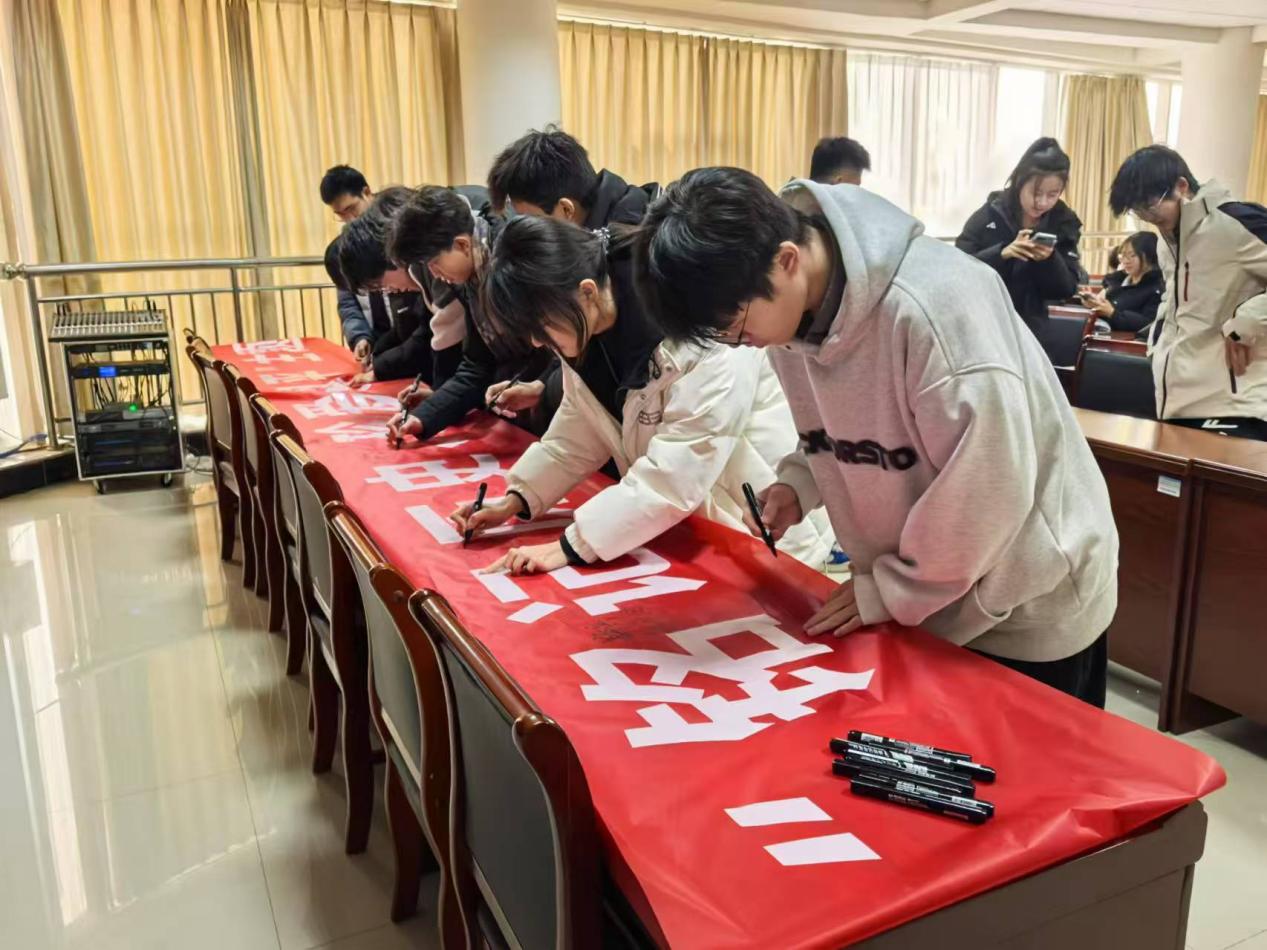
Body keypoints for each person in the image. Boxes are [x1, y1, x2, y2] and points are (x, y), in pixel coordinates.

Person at [632, 166, 1119, 707]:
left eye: (736, 325)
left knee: (1013, 760)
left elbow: (990, 487)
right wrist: (799, 484)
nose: (739, 342)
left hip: (1027, 602)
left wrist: (891, 590)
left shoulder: (936, 306)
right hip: (931, 594)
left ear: (787, 260)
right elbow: (838, 428)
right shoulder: (789, 317)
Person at [450, 214, 833, 573]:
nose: (537, 342)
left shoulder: (697, 329)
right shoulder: (586, 327)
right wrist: (517, 499)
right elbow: (578, 429)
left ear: (586, 292)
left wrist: (571, 545)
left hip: (763, 521)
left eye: (541, 326)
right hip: (694, 528)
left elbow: (679, 467)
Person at [482, 126, 660, 422]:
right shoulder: (591, 243)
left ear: (565, 209)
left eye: (532, 220)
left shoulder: (633, 258)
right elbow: (576, 330)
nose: (529, 232)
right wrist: (543, 386)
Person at [1110, 145, 1267, 439]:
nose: (1147, 216)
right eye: (1137, 210)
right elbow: (1174, 302)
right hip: (1179, 400)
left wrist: (1247, 321)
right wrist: (1157, 344)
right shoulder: (1167, 240)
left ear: (1181, 186)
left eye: (1151, 205)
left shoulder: (1235, 223)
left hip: (1236, 404)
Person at [383, 185, 552, 444]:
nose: (435, 274)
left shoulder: (520, 261)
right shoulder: (473, 280)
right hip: (524, 416)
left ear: (462, 244)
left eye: (435, 263)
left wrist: (541, 387)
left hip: (561, 412)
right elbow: (477, 366)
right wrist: (423, 418)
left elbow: (565, 350)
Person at [955, 138, 1085, 356]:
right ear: (1019, 182)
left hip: (1031, 331)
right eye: (1036, 193)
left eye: (1052, 195)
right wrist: (1002, 254)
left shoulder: (1064, 222)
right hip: (981, 324)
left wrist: (1049, 260)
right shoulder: (990, 214)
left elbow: (1066, 289)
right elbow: (957, 269)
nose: (1042, 202)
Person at [337, 187, 462, 386]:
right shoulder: (420, 273)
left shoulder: (436, 268)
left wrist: (439, 396)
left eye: (380, 285)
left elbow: (442, 340)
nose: (389, 290)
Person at [320, 165, 385, 365]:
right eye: (340, 214)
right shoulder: (347, 245)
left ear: (366, 192)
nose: (349, 219)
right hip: (379, 347)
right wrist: (359, 337)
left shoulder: (396, 231)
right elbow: (347, 302)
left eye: (351, 209)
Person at [1082, 232, 1163, 335]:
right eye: (1123, 256)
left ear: (1149, 256)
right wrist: (1094, 303)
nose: (1125, 261)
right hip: (1101, 332)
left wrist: (1113, 314)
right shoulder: (1117, 280)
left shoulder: (1157, 287)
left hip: (1127, 340)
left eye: (1132, 256)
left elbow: (1147, 323)